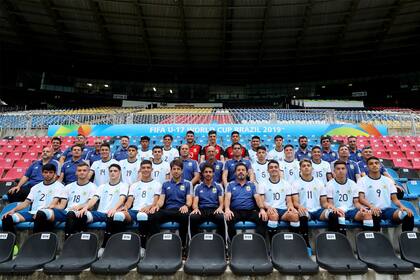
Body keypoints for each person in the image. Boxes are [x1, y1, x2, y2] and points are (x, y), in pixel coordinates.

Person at [75, 164, 128, 255]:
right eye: (111, 171)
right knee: (81, 215)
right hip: (100, 213)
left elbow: (122, 199)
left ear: (119, 173)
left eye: (115, 171)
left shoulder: (124, 185)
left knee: (113, 216)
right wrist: (85, 208)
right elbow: (94, 199)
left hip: (112, 213)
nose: (112, 173)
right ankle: (81, 245)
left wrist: (114, 209)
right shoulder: (102, 186)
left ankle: (104, 247)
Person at [1, 164, 64, 235]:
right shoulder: (35, 187)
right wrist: (13, 210)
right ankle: (14, 244)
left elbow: (57, 204)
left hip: (47, 214)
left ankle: (35, 242)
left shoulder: (60, 186)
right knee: (7, 218)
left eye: (50, 172)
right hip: (32, 213)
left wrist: (41, 211)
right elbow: (26, 203)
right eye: (46, 172)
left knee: (40, 216)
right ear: (42, 173)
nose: (48, 174)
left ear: (55, 174)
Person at [113, 160, 161, 249]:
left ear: (152, 169)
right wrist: (125, 207)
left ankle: (143, 247)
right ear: (140, 170)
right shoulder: (134, 185)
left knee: (142, 215)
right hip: (134, 211)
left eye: (148, 168)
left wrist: (149, 206)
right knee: (118, 215)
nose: (146, 170)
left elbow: (155, 201)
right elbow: (130, 200)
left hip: (147, 211)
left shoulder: (157, 184)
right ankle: (118, 246)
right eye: (143, 168)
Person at [357, 157, 414, 232]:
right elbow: (361, 199)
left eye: (376, 163)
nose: (374, 165)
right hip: (371, 209)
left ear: (380, 165)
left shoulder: (388, 180)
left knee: (408, 214)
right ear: (367, 167)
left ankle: (407, 239)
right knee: (374, 214)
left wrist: (402, 206)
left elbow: (395, 199)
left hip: (386, 210)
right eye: (371, 164)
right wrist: (371, 206)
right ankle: (375, 239)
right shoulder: (362, 180)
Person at [149, 160, 193, 249]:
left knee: (186, 216)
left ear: (182, 170)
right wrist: (156, 206)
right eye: (174, 169)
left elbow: (189, 200)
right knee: (153, 215)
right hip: (168, 210)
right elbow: (161, 200)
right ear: (171, 170)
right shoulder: (165, 184)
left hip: (180, 210)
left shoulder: (188, 183)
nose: (176, 171)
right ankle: (156, 244)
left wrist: (186, 206)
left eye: (178, 169)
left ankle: (183, 245)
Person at [292, 159, 329, 254]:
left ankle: (334, 243)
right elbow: (295, 202)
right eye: (303, 166)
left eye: (308, 165)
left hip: (318, 211)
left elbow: (324, 203)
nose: (306, 167)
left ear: (312, 168)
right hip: (305, 211)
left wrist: (331, 207)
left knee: (334, 214)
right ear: (300, 169)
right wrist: (299, 206)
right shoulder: (296, 183)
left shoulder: (319, 183)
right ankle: (306, 244)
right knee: (302, 215)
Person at [224, 163, 267, 239]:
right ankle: (233, 243)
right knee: (228, 218)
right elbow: (227, 197)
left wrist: (262, 209)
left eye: (243, 170)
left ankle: (259, 242)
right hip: (236, 212)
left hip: (250, 211)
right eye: (238, 170)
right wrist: (227, 209)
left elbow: (257, 198)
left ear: (247, 173)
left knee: (262, 218)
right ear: (235, 173)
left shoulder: (252, 185)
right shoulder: (230, 184)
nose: (241, 171)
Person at [325, 161, 366, 235]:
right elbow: (330, 203)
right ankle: (343, 238)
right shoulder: (329, 184)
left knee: (367, 214)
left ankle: (369, 240)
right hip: (337, 210)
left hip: (350, 210)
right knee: (339, 214)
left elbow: (356, 202)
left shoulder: (353, 184)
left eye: (343, 168)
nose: (340, 170)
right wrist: (335, 209)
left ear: (346, 170)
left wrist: (361, 208)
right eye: (338, 169)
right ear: (334, 171)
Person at [262, 160, 300, 234]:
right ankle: (272, 243)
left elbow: (289, 201)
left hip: (283, 210)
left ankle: (294, 241)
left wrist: (291, 207)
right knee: (273, 216)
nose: (274, 169)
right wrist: (268, 207)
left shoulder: (286, 184)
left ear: (279, 169)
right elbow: (262, 201)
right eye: (271, 167)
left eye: (276, 167)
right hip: (270, 209)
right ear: (268, 170)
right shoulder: (263, 184)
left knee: (295, 216)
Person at [62, 162, 98, 240]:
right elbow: (62, 204)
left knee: (76, 214)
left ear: (88, 172)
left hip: (83, 212)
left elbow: (90, 204)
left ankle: (69, 239)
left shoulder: (93, 187)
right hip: (68, 211)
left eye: (84, 170)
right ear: (76, 172)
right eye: (79, 170)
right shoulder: (68, 186)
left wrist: (78, 207)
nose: (82, 172)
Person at [189, 163, 225, 240]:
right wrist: (195, 209)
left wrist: (220, 208)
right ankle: (194, 241)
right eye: (206, 172)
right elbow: (195, 203)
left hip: (214, 210)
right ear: (202, 173)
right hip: (202, 210)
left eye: (210, 172)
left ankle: (222, 243)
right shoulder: (197, 187)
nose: (208, 174)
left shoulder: (219, 186)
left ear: (213, 173)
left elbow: (222, 203)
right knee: (193, 217)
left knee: (221, 217)